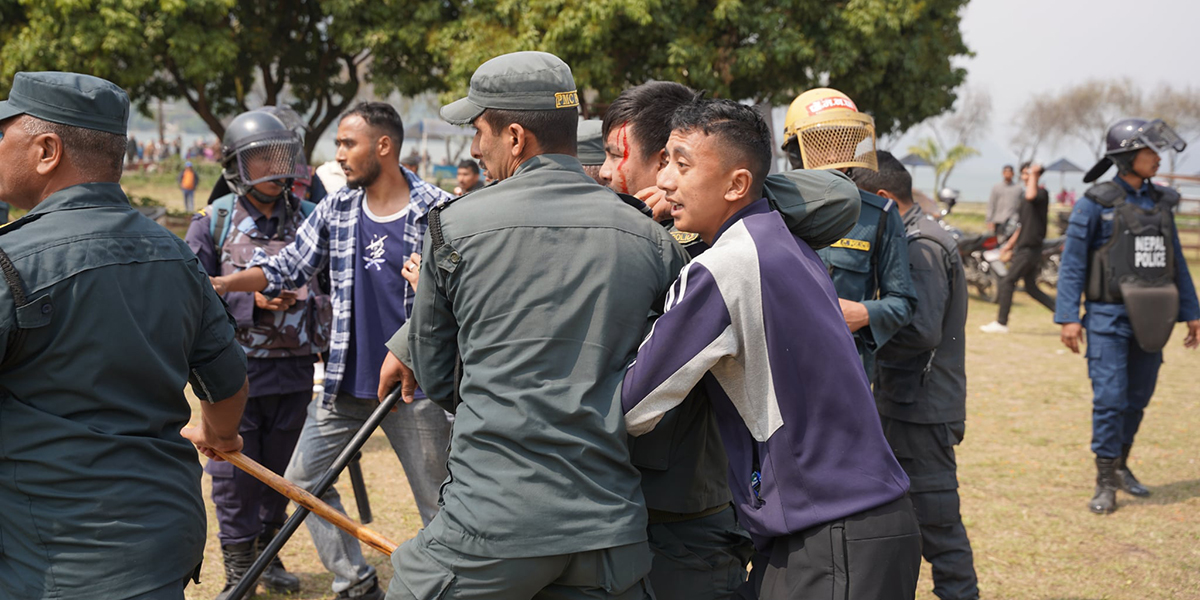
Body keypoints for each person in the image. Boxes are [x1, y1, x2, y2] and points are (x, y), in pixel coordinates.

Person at [378, 50, 684, 600]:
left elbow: (440, 376)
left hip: (491, 525)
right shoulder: (654, 239)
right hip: (608, 532)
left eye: (479, 130)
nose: (474, 148)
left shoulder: (454, 226)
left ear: (515, 137)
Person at [621, 98, 920, 600]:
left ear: (738, 184)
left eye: (683, 164)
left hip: (831, 537)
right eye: (665, 161)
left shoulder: (725, 266)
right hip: (844, 529)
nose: (666, 181)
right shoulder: (787, 242)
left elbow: (634, 406)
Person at [0, 71, 248, 600]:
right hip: (159, 545)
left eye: (4, 135)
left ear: (46, 150)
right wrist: (221, 436)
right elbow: (226, 383)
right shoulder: (176, 254)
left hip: (50, 560)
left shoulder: (11, 264)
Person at [211, 102, 452, 600]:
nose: (338, 155)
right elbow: (286, 269)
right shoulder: (337, 208)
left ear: (382, 146)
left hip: (415, 389)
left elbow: (459, 303)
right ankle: (355, 582)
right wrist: (220, 282)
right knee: (304, 482)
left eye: (348, 143)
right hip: (344, 382)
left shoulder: (439, 211)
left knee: (438, 503)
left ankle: (446, 588)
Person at [186, 110, 330, 599]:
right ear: (237, 165)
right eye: (261, 158)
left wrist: (302, 298)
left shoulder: (314, 217)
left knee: (280, 474)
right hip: (234, 372)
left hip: (295, 368)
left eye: (281, 156)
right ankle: (238, 571)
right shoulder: (214, 220)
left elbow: (335, 286)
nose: (274, 167)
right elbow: (193, 294)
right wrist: (252, 297)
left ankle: (268, 555)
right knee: (231, 476)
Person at [1057, 118, 1200, 514]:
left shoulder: (1162, 203)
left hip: (1154, 317)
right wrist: (1069, 316)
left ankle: (1121, 466)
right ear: (1126, 156)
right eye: (1150, 151)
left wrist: (1192, 313)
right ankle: (1104, 481)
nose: (1158, 158)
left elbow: (1177, 263)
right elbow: (1072, 265)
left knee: (1138, 398)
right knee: (1111, 398)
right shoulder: (1094, 204)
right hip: (1107, 317)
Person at [854, 151, 979, 600]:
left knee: (938, 524)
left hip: (921, 409)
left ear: (884, 198)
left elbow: (921, 331)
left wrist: (862, 325)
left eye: (862, 206)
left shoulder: (919, 244)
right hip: (907, 401)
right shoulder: (917, 235)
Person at [780, 87, 916, 374]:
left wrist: (865, 313)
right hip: (781, 364)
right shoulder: (770, 209)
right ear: (795, 151)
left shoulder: (880, 216)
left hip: (845, 368)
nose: (834, 151)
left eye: (844, 140)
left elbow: (902, 302)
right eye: (821, 142)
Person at [981, 161, 1056, 333]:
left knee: (1008, 281)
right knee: (1031, 288)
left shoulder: (1041, 194)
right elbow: (1021, 226)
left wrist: (1035, 175)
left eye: (1027, 174)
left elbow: (1031, 195)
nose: (1024, 177)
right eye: (1023, 174)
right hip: (1023, 246)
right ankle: (1064, 315)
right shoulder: (1024, 199)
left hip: (1031, 248)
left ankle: (1001, 323)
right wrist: (1009, 245)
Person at [987, 164, 1022, 236]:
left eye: (1009, 172)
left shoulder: (1018, 189)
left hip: (1013, 220)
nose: (1007, 174)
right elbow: (991, 204)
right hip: (998, 220)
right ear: (1002, 173)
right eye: (1006, 172)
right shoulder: (996, 187)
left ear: (1013, 173)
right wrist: (989, 220)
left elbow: (1021, 206)